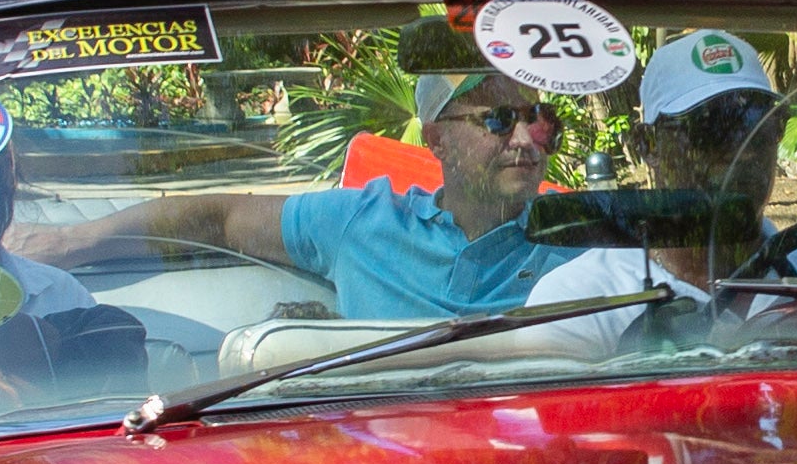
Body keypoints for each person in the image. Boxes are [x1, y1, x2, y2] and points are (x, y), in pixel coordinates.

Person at [31, 32, 573, 319]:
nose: (526, 139)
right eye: (499, 119)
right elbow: (219, 217)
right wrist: (71, 242)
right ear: (437, 141)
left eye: (538, 118)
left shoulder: (580, 234)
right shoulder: (366, 221)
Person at [530, 29, 797, 347]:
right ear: (647, 145)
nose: (743, 149)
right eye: (712, 127)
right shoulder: (578, 305)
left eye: (759, 124)